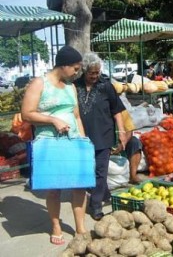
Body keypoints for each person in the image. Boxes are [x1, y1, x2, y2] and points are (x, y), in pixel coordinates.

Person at [21, 45, 87, 245]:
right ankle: (56, 226)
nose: (77, 73)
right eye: (75, 68)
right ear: (64, 65)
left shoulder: (70, 86)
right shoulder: (39, 84)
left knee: (80, 185)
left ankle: (81, 228)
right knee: (54, 188)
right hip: (49, 143)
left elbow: (76, 115)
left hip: (73, 141)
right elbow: (27, 113)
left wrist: (83, 140)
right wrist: (53, 120)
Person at [74, 52, 127, 221]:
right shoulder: (75, 86)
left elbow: (117, 111)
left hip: (103, 135)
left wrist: (122, 132)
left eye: (97, 72)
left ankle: (96, 205)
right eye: (92, 73)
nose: (95, 76)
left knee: (100, 171)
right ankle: (104, 193)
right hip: (82, 136)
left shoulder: (106, 86)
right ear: (84, 70)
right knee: (87, 170)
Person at [112, 109, 143, 184]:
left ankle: (133, 176)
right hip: (104, 143)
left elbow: (129, 131)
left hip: (120, 143)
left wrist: (122, 144)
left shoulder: (122, 111)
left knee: (135, 142)